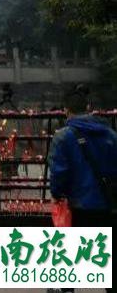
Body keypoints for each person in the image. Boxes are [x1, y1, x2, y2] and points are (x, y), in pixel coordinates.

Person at [48, 86, 116, 293]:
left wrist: (57, 194)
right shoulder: (111, 134)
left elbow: (59, 173)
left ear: (66, 110)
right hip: (109, 206)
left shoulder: (63, 137)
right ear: (89, 108)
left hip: (79, 207)